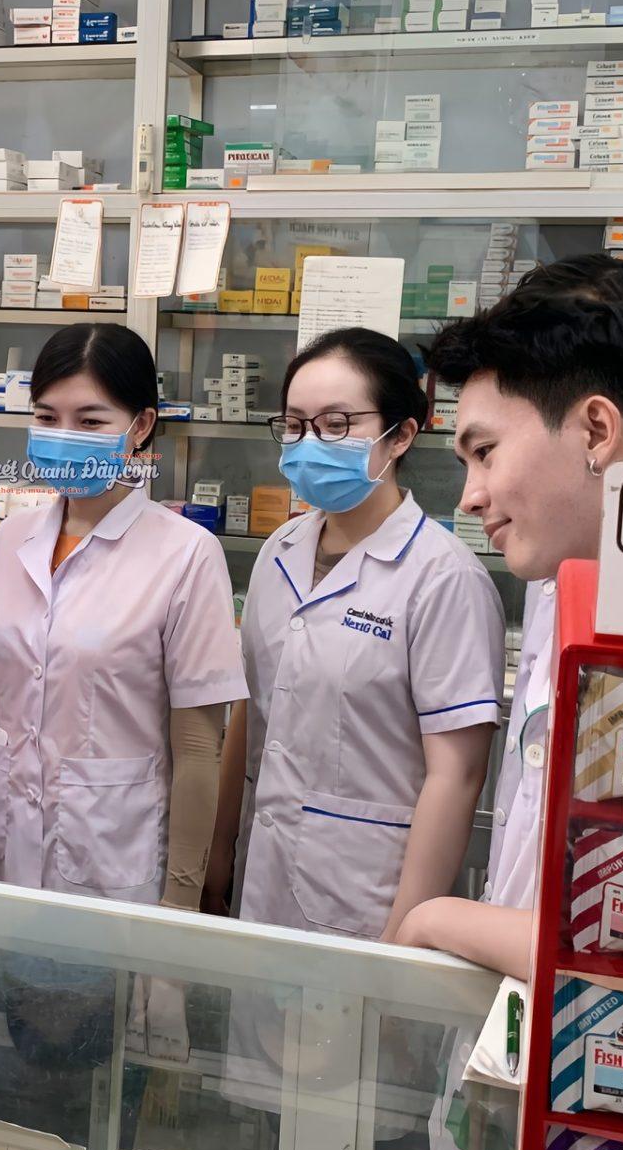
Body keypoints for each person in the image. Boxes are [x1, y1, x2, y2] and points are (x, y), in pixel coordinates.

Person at [398, 254, 623, 1150]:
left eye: (485, 453)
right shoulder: (561, 591)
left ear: (597, 431)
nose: (470, 496)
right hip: (518, 1095)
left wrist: (437, 921)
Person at [207, 328, 504, 943]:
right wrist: (217, 859)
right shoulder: (279, 550)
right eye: (295, 425)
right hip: (261, 882)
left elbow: (456, 776)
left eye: (336, 424)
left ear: (401, 435)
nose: (309, 443)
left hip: (369, 904)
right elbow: (251, 715)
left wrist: (403, 945)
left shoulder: (443, 577)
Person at [0, 323, 246, 909]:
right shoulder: (11, 539)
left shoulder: (186, 554)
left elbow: (198, 747)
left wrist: (182, 899)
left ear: (140, 426)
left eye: (89, 421)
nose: (64, 437)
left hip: (113, 863)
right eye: (47, 417)